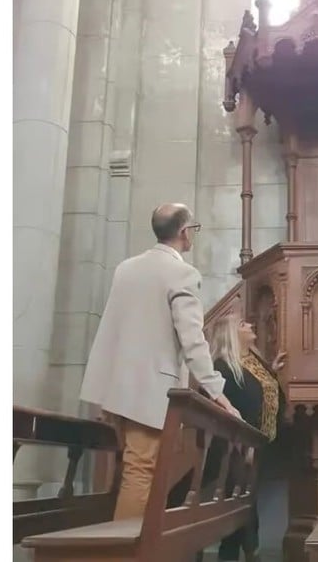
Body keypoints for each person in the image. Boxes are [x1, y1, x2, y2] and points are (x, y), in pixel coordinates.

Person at [79, 203, 241, 520]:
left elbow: (114, 328)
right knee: (141, 472)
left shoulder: (126, 268)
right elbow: (193, 339)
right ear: (184, 232)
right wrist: (218, 393)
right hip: (148, 390)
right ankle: (127, 554)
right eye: (193, 229)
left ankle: (129, 546)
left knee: (132, 469)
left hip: (115, 390)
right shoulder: (182, 273)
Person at [208, 314, 287, 562]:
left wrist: (271, 371)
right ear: (230, 333)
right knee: (239, 504)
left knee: (246, 502)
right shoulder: (222, 366)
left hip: (258, 442)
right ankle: (237, 554)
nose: (251, 325)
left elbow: (257, 392)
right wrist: (242, 442)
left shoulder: (254, 361)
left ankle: (247, 551)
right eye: (243, 324)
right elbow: (220, 405)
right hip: (234, 446)